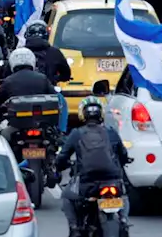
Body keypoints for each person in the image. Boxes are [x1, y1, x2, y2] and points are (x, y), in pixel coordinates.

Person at [56, 98, 131, 236]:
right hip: (112, 180)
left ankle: (74, 227)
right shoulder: (111, 132)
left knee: (66, 197)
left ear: (82, 114)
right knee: (124, 196)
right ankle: (124, 221)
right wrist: (125, 160)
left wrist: (58, 167)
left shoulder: (76, 133)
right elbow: (123, 154)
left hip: (87, 183)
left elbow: (62, 156)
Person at [0, 47, 55, 116]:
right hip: (41, 120)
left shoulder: (9, 80)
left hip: (16, 122)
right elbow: (54, 96)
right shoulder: (42, 78)